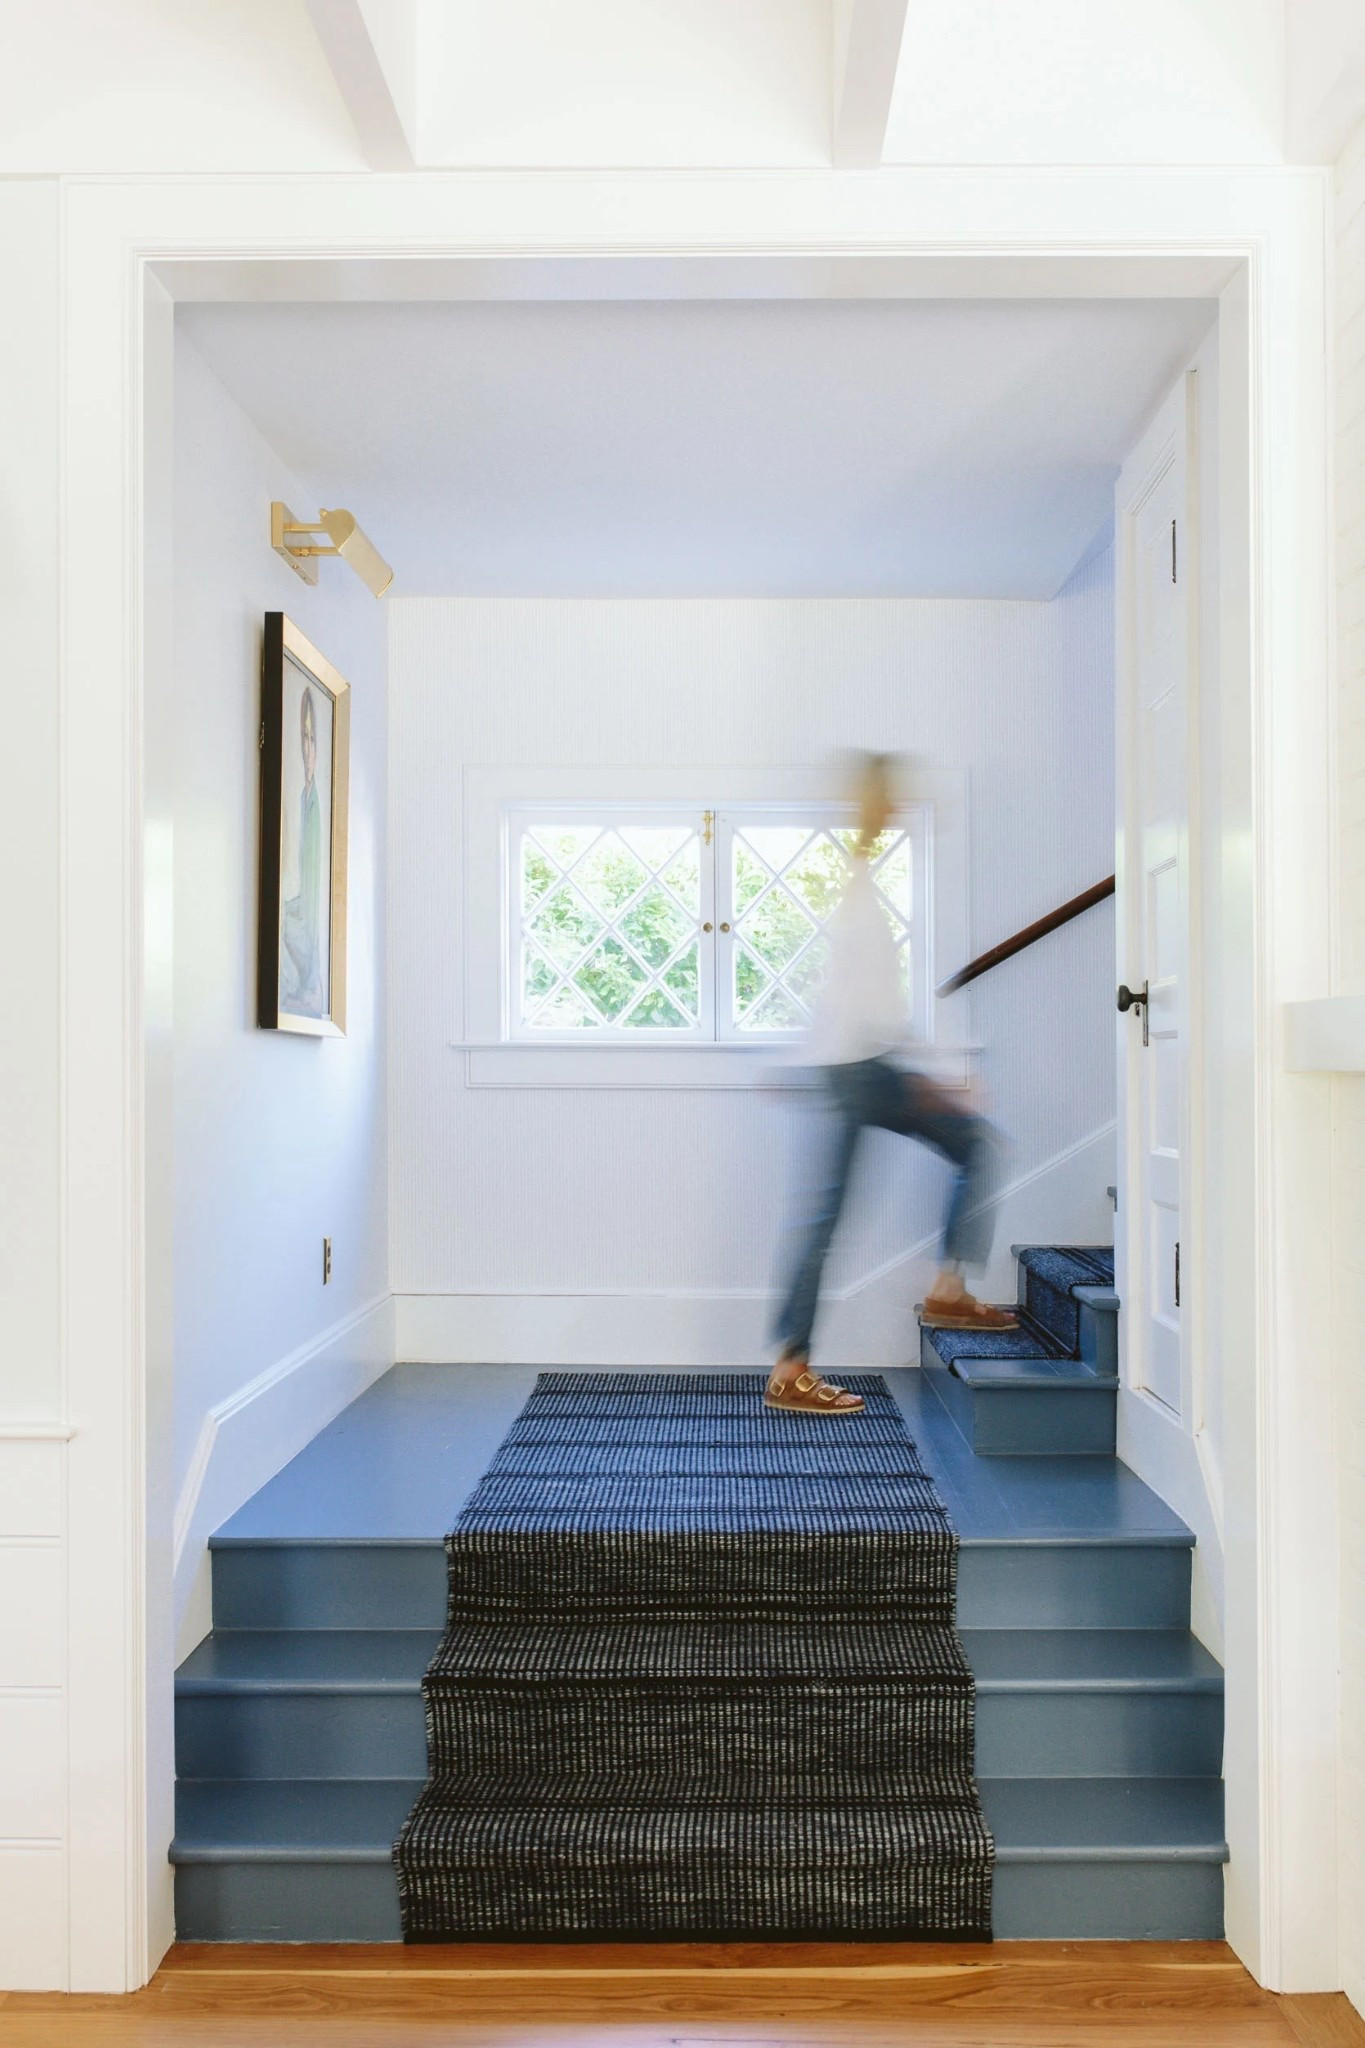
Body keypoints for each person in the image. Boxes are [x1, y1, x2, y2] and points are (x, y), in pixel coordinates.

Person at [765, 753, 1016, 1416]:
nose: (897, 808)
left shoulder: (856, 877)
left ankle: (936, 1294)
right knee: (973, 1146)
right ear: (869, 804)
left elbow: (847, 992)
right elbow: (867, 1002)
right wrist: (928, 1077)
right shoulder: (854, 885)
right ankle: (797, 1367)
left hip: (854, 1066)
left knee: (828, 1216)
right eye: (887, 798)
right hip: (861, 1068)